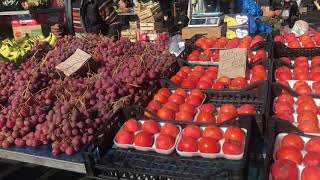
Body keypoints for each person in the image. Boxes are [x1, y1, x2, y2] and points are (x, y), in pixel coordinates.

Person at [51, 0, 122, 40]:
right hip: (77, 51)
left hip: (96, 51)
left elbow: (115, 22)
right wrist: (61, 29)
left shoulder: (99, 1)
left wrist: (109, 39)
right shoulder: (69, 2)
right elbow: (71, 25)